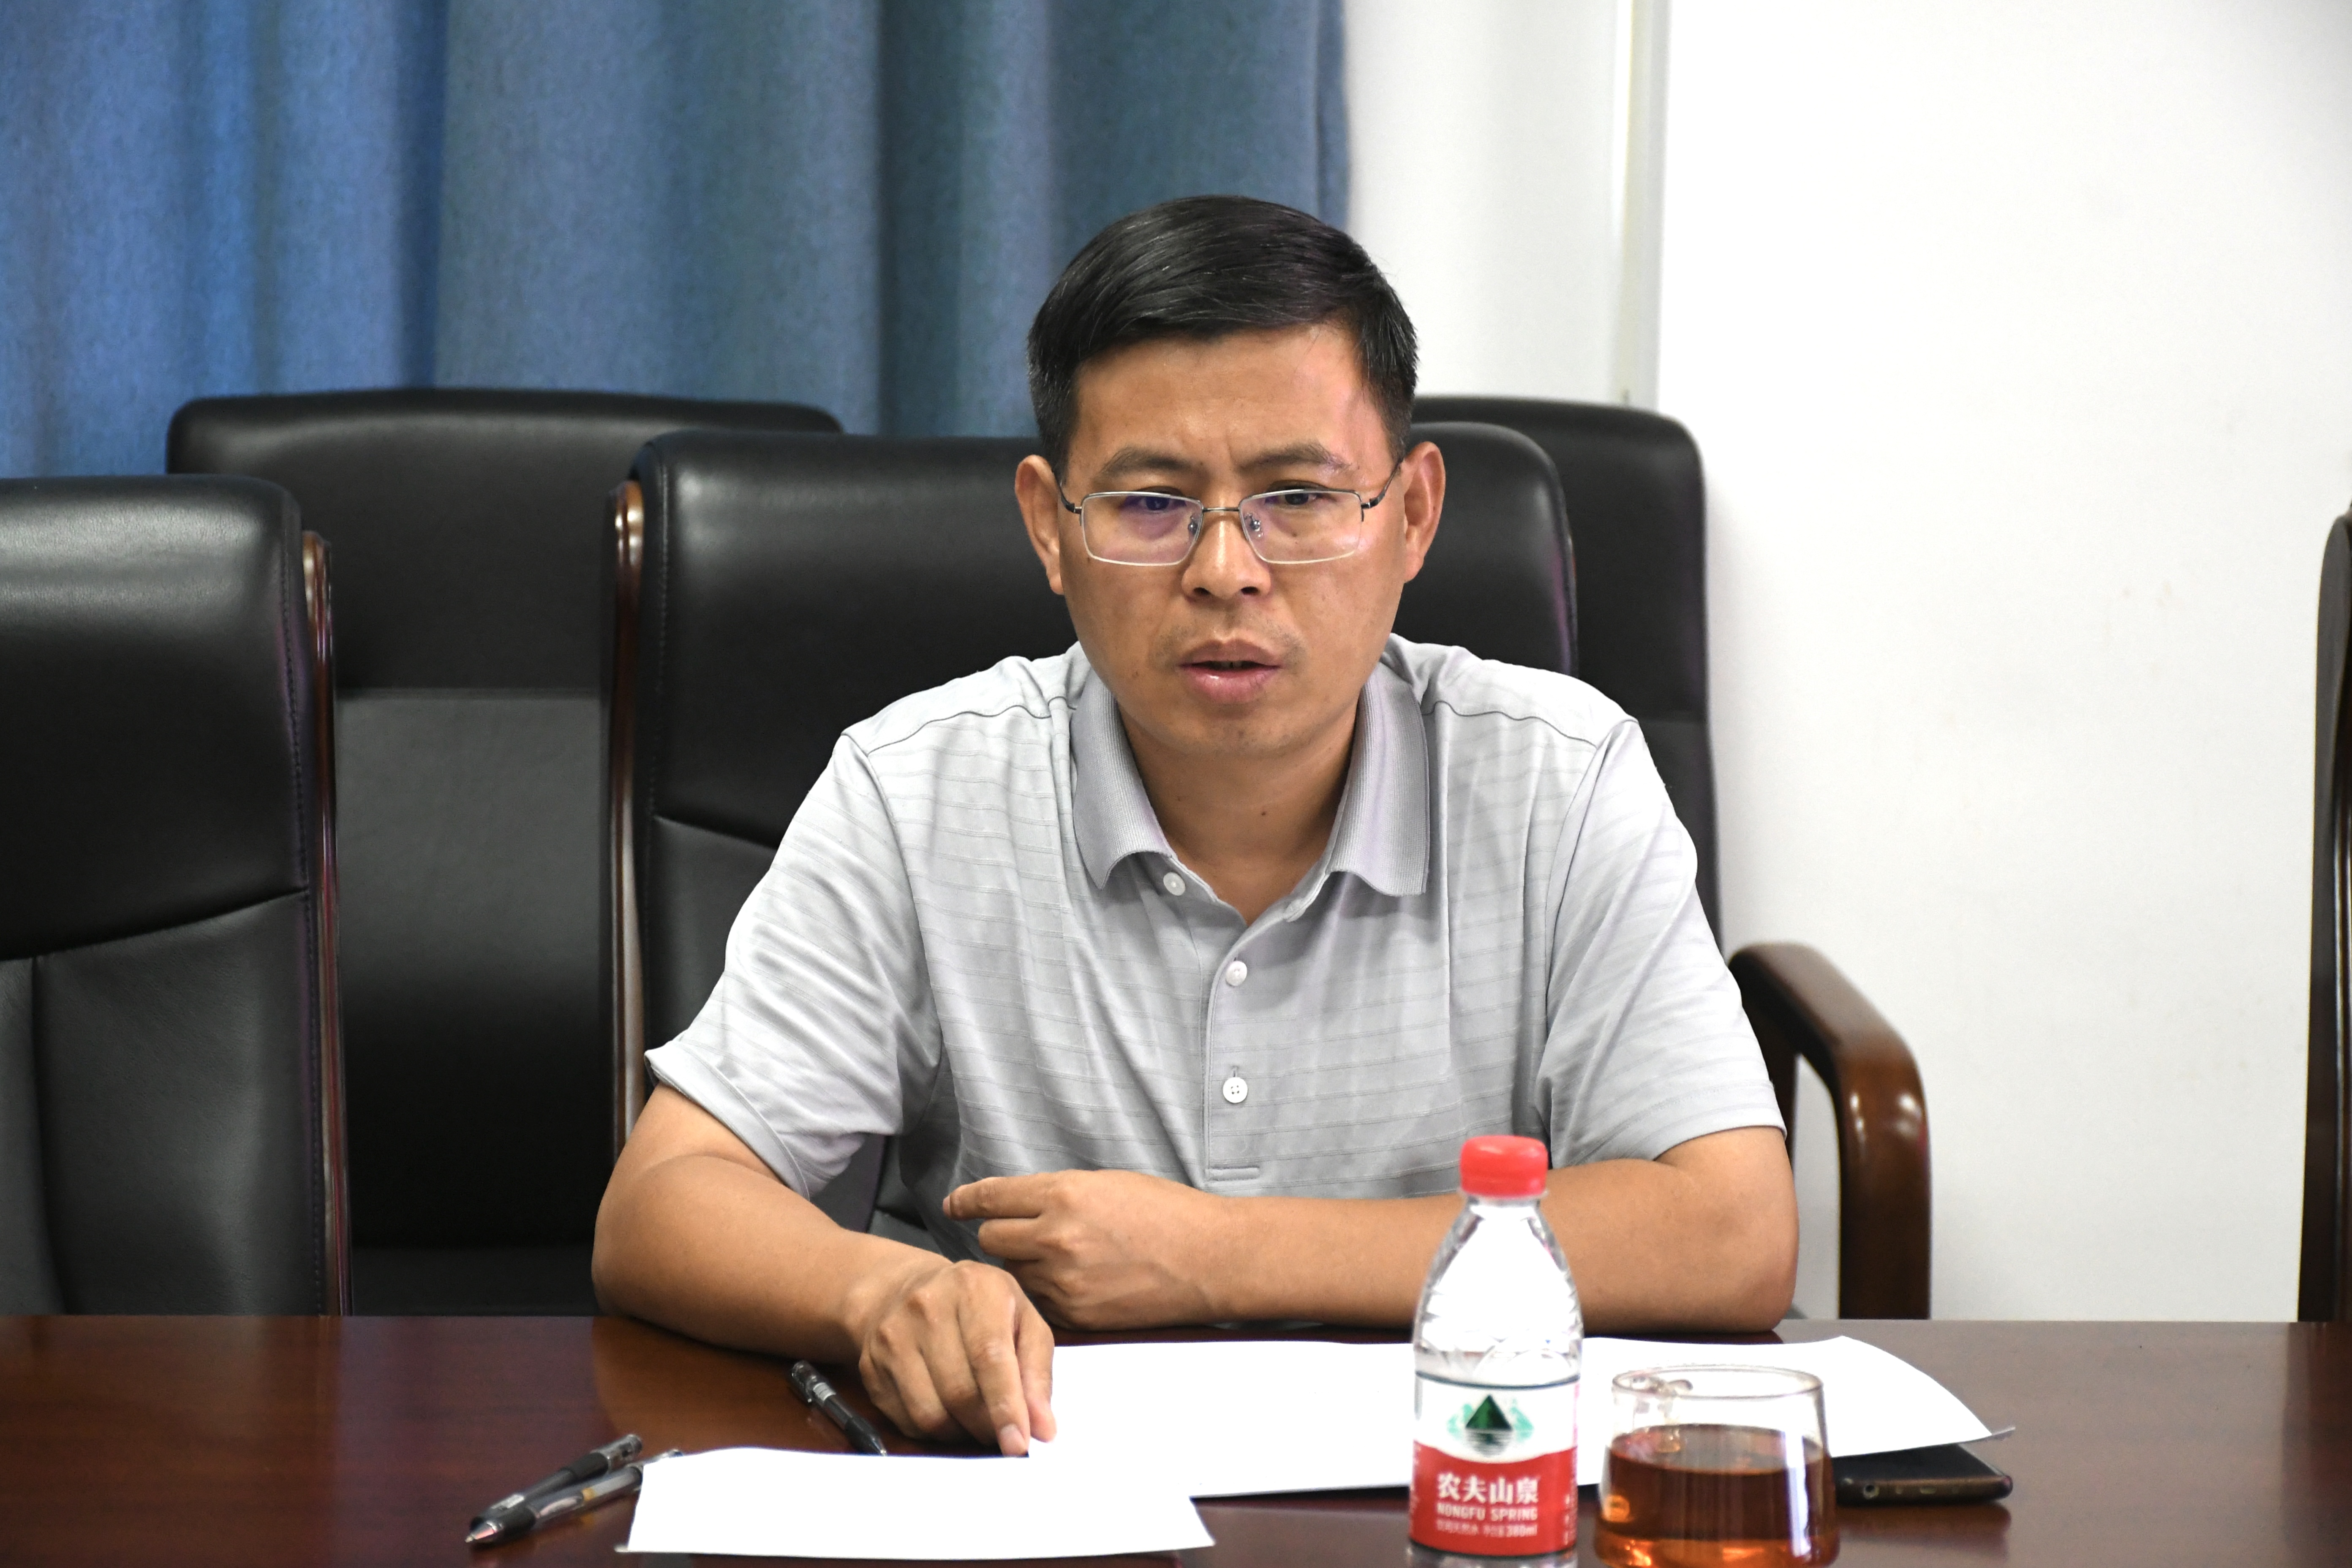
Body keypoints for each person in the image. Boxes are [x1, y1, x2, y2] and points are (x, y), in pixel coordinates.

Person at [593, 194, 1795, 1459]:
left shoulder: (1562, 777)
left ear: (1412, 516)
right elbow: (662, 1202)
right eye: (1151, 504)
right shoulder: (918, 790)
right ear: (1050, 527)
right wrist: (884, 1294)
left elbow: (1732, 1231)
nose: (1226, 569)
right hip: (1041, 1492)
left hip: (1449, 1487)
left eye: (1298, 496)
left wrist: (1218, 1254)